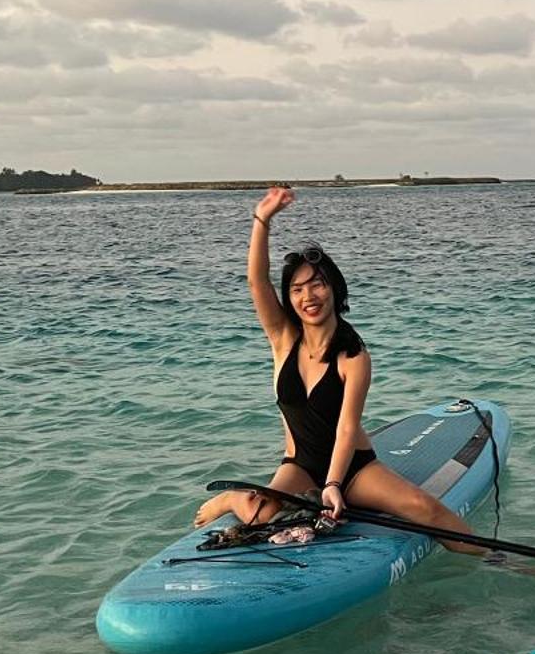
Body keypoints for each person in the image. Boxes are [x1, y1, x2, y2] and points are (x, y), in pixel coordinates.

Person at [190, 186, 479, 550]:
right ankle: (229, 498)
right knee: (258, 510)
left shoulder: (353, 356)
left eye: (317, 285)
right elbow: (256, 281)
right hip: (301, 464)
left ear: (333, 289)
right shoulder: (282, 340)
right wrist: (262, 220)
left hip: (356, 468)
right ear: (289, 298)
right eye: (297, 290)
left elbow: (346, 428)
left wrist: (334, 485)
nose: (308, 296)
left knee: (425, 508)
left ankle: (498, 560)